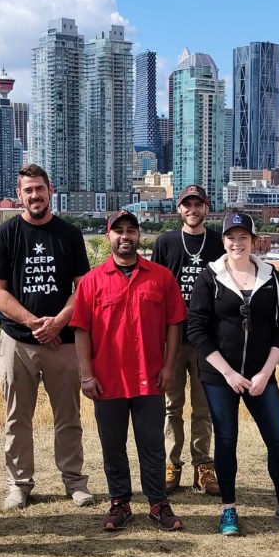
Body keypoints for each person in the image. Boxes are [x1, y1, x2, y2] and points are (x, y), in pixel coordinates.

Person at [187, 212, 279, 536]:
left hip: (260, 374)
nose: (237, 243)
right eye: (231, 237)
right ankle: (229, 509)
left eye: (243, 237)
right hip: (219, 377)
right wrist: (228, 374)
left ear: (253, 240)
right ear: (223, 241)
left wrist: (266, 373)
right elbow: (197, 329)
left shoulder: (271, 277)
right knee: (226, 440)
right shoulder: (209, 276)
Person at [71, 210, 187, 531]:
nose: (125, 236)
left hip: (150, 378)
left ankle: (157, 503)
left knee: (152, 444)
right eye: (118, 230)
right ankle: (119, 502)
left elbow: (174, 324)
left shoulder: (161, 277)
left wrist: (169, 366)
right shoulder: (92, 281)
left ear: (139, 235)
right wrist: (85, 373)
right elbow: (81, 330)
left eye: (131, 230)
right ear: (108, 236)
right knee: (113, 445)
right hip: (106, 380)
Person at [0, 164, 92, 510]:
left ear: (51, 190)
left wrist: (59, 322)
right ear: (19, 195)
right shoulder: (5, 235)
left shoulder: (69, 235)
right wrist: (35, 324)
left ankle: (74, 481)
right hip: (17, 341)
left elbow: (83, 289)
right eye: (27, 190)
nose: (34, 195)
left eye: (39, 189)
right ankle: (19, 484)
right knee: (17, 419)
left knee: (69, 417)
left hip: (63, 342)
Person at [152, 184, 223, 495]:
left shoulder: (219, 242)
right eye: (187, 205)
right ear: (178, 209)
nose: (192, 210)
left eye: (198, 205)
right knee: (171, 406)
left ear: (206, 208)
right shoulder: (166, 242)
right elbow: (154, 289)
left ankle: (203, 468)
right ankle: (171, 465)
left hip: (207, 338)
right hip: (172, 337)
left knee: (203, 407)